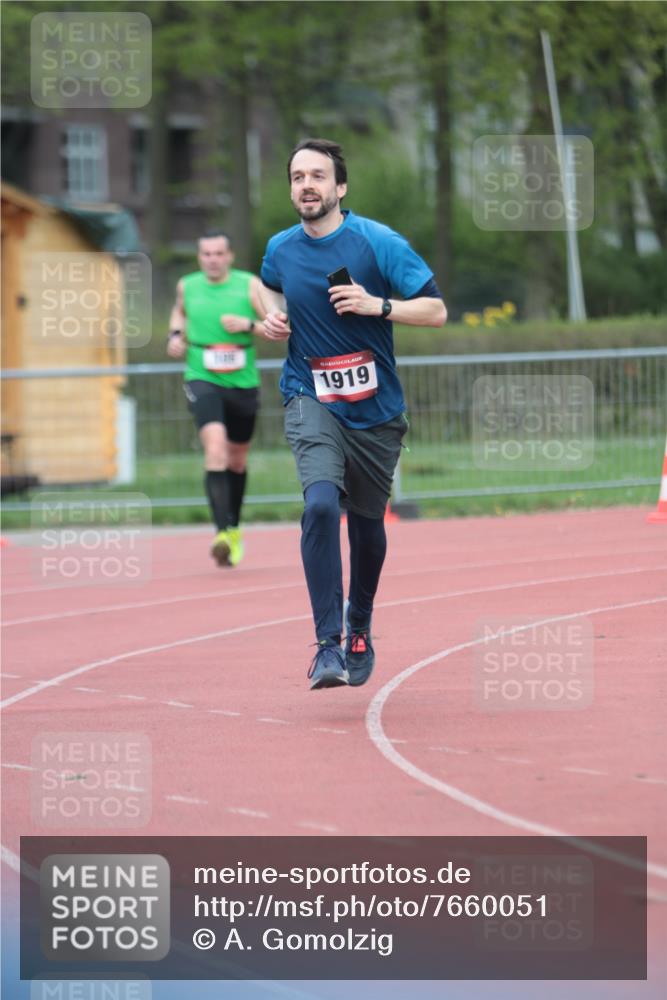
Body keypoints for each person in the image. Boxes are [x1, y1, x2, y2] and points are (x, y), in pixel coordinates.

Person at [260, 138, 447, 690]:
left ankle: (358, 621)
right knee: (319, 506)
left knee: (367, 530)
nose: (306, 185)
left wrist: (377, 305)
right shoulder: (280, 247)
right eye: (297, 177)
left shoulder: (377, 242)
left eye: (318, 176)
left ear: (340, 187)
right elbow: (271, 290)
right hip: (310, 395)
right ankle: (326, 647)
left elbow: (436, 311)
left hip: (375, 410)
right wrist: (274, 321)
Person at [167, 230, 267, 567]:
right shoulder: (187, 285)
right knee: (215, 448)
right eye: (206, 254)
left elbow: (279, 325)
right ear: (199, 257)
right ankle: (221, 532)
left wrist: (248, 324)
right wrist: (176, 336)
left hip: (242, 380)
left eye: (218, 253)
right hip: (202, 375)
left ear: (230, 256)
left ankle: (234, 529)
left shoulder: (250, 285)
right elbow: (179, 313)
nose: (212, 259)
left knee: (237, 459)